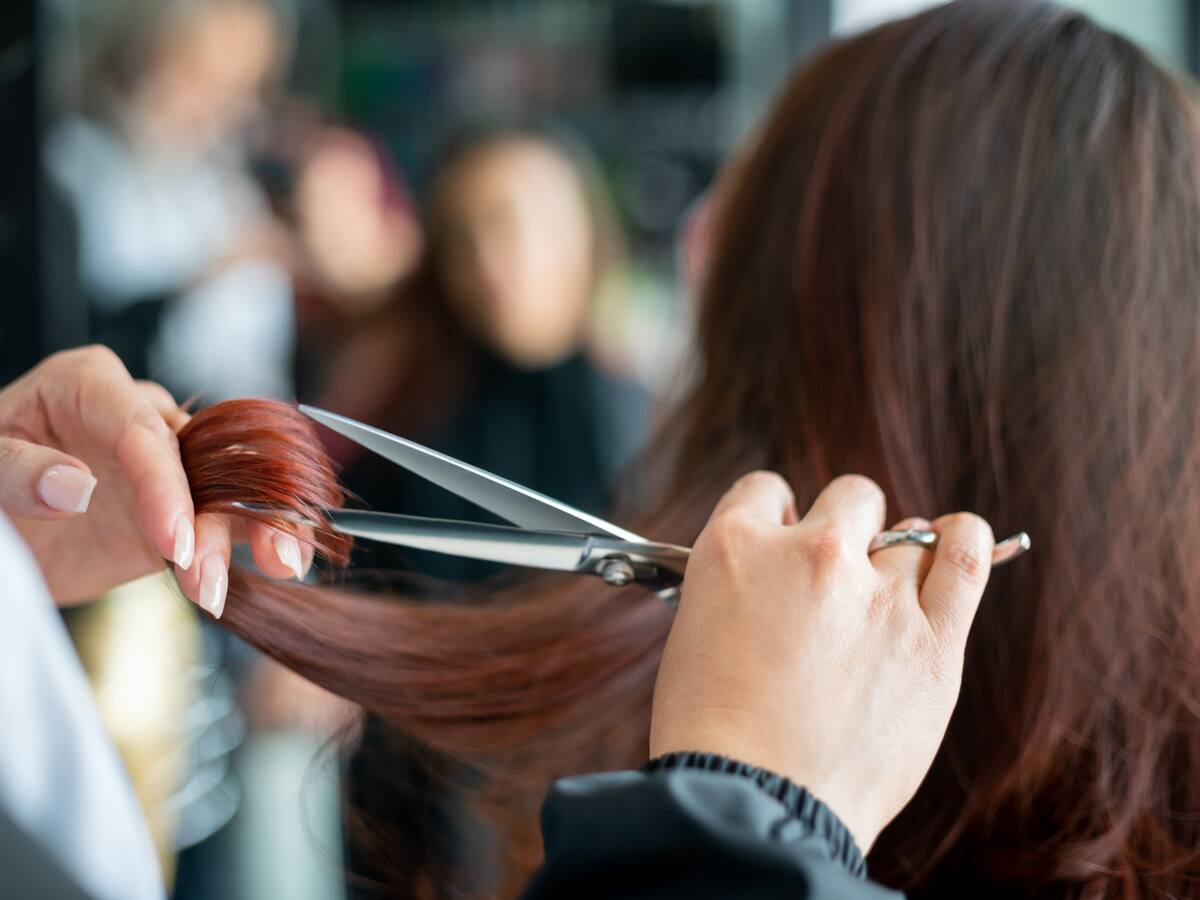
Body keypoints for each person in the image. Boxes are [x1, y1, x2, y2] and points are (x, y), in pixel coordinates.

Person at [187, 2, 1200, 897]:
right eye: (468, 236)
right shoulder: (405, 395)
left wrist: (751, 813)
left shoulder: (625, 415)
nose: (498, 265)